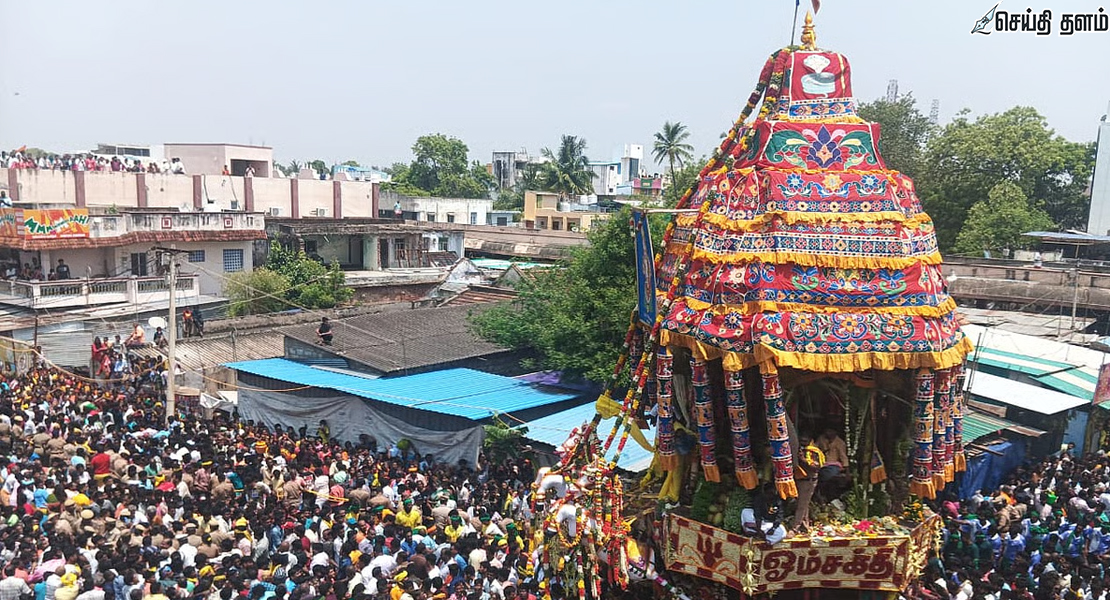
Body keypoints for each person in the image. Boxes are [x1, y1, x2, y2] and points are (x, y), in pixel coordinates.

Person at [793, 434, 824, 532]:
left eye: (805, 441)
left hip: (809, 481)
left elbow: (816, 468)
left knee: (801, 505)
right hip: (799, 480)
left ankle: (795, 527)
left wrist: (803, 460)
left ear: (810, 441)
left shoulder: (814, 452)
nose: (803, 444)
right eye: (801, 441)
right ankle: (805, 525)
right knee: (803, 504)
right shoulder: (799, 451)